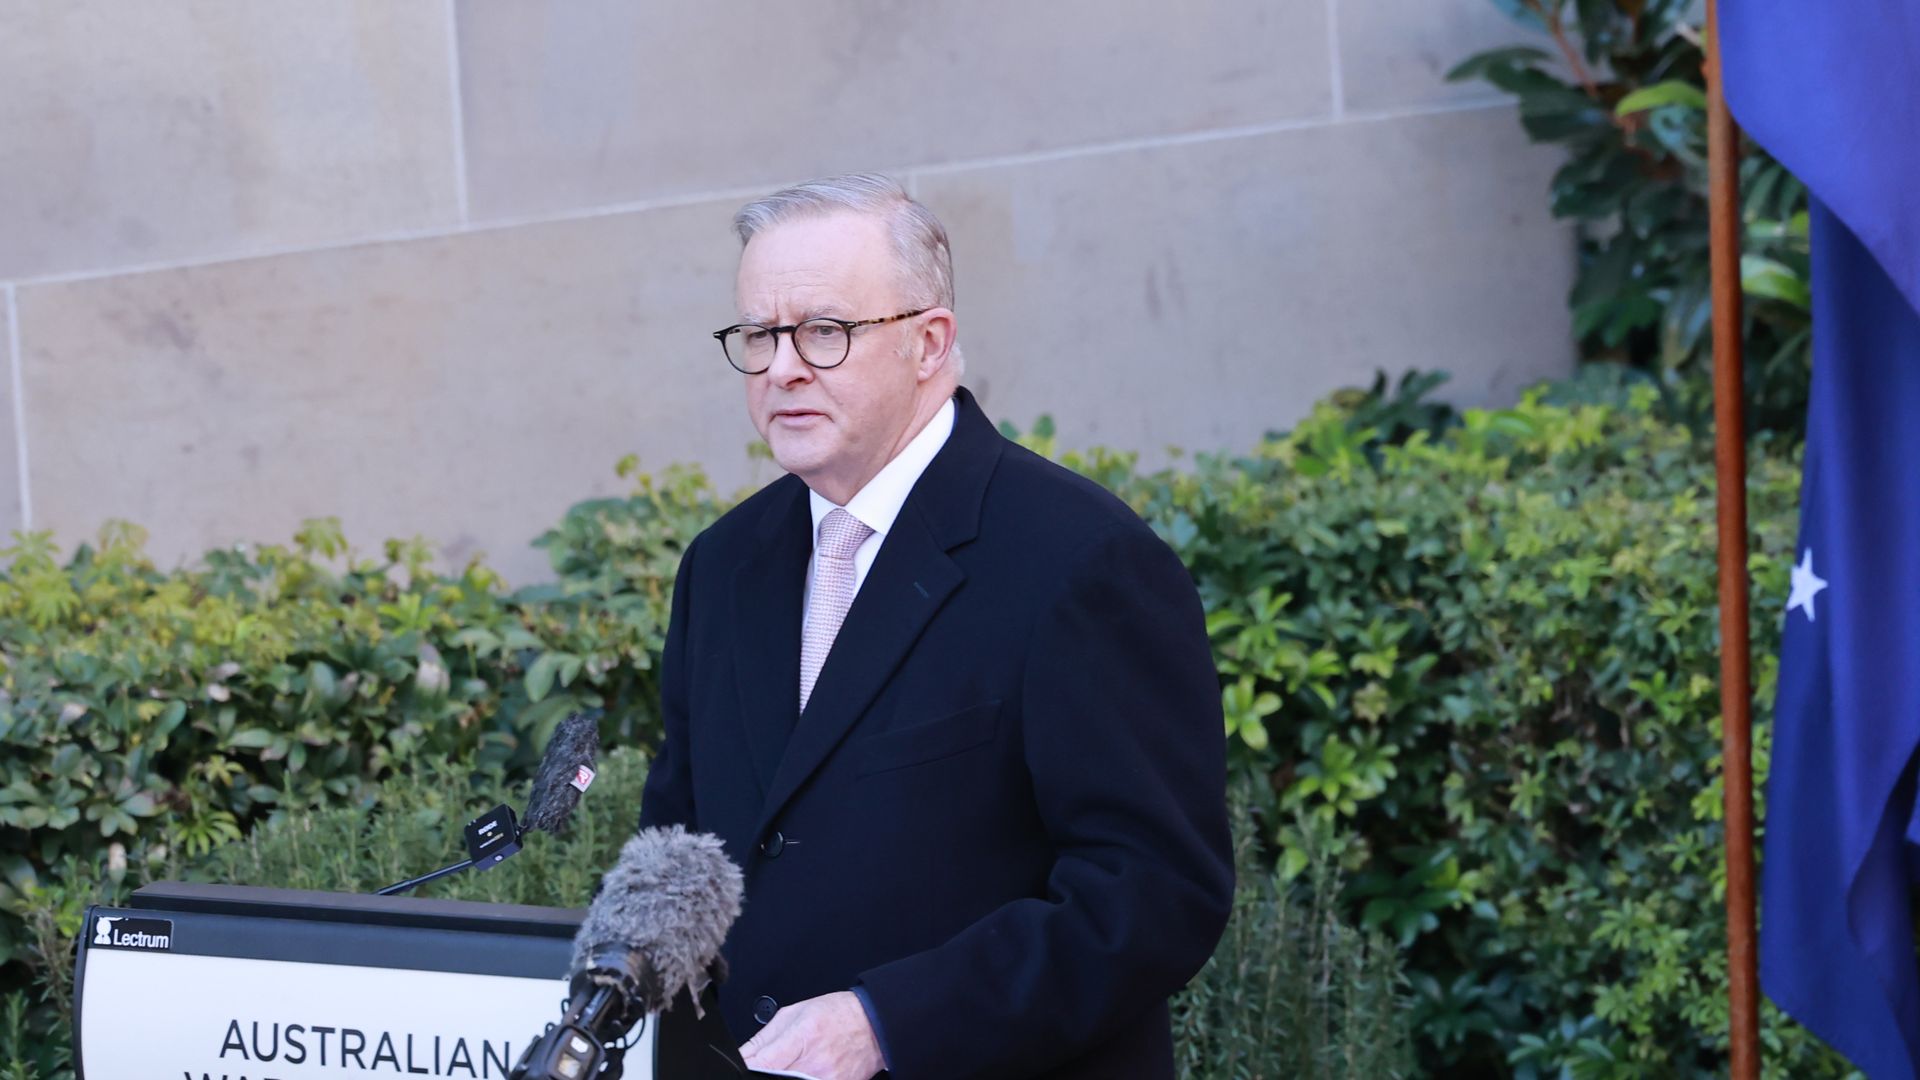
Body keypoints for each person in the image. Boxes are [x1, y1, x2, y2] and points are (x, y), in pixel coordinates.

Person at [637, 173, 1232, 1080]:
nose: (783, 366)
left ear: (929, 342)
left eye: (824, 332)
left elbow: (1152, 893)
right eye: (759, 335)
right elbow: (683, 852)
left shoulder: (1081, 559)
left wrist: (888, 1022)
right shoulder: (722, 566)